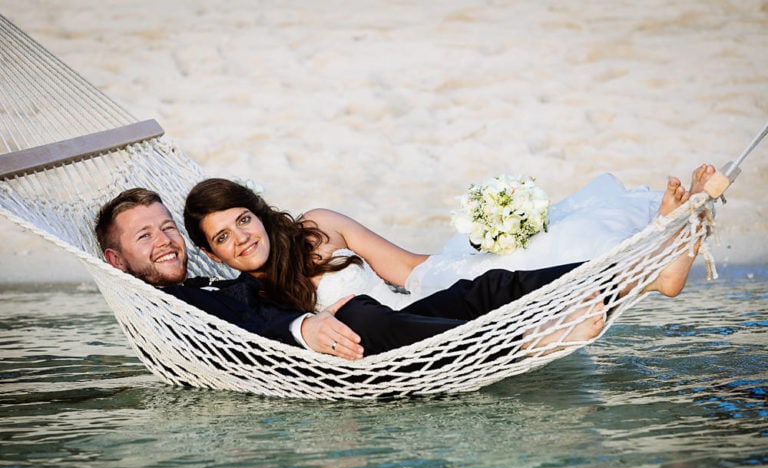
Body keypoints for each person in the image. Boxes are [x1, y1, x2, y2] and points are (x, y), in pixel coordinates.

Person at [95, 188, 600, 360]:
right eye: (145, 237)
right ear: (116, 261)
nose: (164, 241)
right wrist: (305, 326)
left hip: (406, 323)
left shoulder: (227, 282)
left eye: (166, 229)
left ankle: (610, 275)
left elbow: (406, 267)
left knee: (485, 286)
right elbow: (252, 324)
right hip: (368, 349)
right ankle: (524, 340)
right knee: (359, 313)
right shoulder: (169, 306)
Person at [182, 164, 714, 317]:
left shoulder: (316, 226)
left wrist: (470, 253)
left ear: (257, 210)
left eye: (243, 220)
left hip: (428, 291)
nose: (242, 239)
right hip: (411, 332)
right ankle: (658, 261)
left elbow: (401, 263)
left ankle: (658, 262)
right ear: (211, 254)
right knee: (528, 278)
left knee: (539, 253)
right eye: (224, 238)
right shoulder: (255, 302)